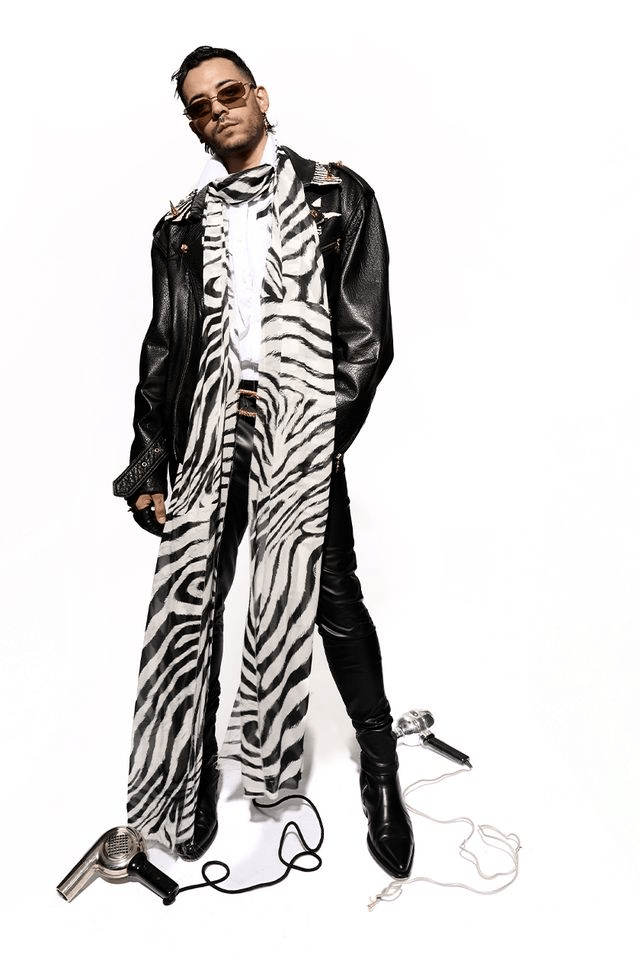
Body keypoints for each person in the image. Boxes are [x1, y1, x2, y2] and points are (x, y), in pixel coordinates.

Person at [113, 46, 414, 879]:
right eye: (200, 106)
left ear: (261, 96)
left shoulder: (338, 197)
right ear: (193, 125)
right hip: (208, 435)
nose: (218, 111)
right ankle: (189, 778)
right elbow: (163, 348)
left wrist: (313, 433)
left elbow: (367, 340)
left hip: (301, 430)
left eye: (230, 93)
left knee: (333, 597)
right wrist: (149, 462)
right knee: (197, 601)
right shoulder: (180, 227)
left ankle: (379, 762)